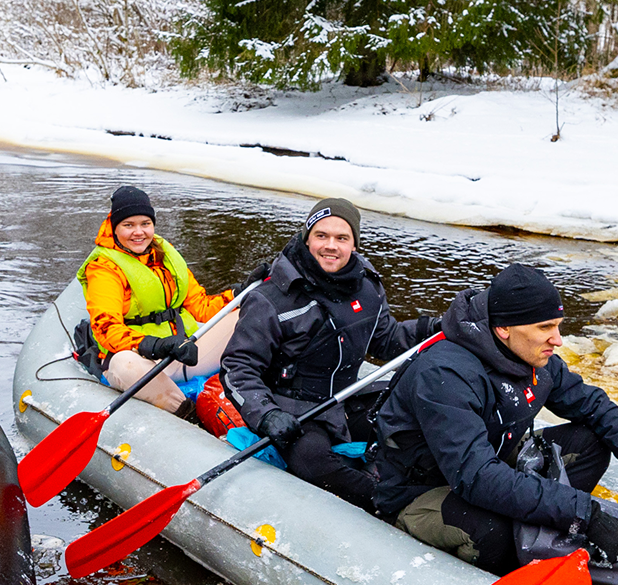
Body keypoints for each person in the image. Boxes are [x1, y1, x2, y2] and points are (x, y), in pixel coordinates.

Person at [372, 263, 618, 575]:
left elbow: (592, 405)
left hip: (494, 459)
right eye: (545, 327)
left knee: (590, 442)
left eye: (557, 325)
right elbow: (476, 477)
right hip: (425, 488)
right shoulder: (445, 374)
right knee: (494, 532)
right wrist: (581, 513)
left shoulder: (533, 357)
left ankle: (545, 534)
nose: (558, 339)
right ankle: (511, 565)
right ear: (504, 328)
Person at [220, 198, 433, 511]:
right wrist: (266, 414)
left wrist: (433, 327)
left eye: (342, 238)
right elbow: (237, 367)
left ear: (354, 245)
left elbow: (385, 339)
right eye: (321, 236)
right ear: (307, 239)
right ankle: (393, 505)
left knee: (413, 420)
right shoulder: (271, 298)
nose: (331, 246)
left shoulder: (367, 285)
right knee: (311, 460)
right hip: (294, 409)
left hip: (347, 397)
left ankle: (428, 487)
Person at [80, 184, 234, 412]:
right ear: (114, 228)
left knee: (246, 312)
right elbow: (106, 328)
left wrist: (237, 294)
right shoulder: (104, 268)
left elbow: (201, 307)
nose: (138, 232)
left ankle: (248, 385)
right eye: (128, 225)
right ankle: (185, 412)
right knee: (124, 365)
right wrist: (155, 345)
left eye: (145, 224)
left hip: (185, 352)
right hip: (145, 361)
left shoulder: (165, 255)